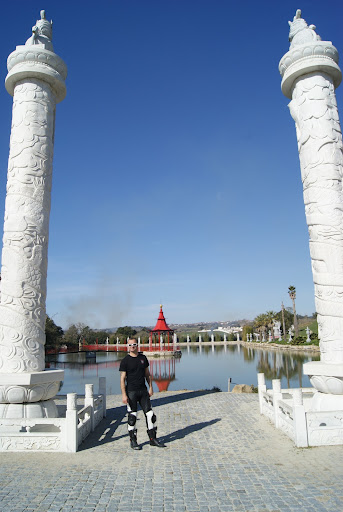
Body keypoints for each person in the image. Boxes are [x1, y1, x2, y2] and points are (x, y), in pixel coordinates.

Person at [119, 338, 165, 450]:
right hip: (131, 392)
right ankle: (133, 440)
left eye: (134, 344)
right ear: (127, 346)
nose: (132, 347)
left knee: (150, 415)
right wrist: (124, 395)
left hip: (143, 391)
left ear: (137, 345)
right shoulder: (125, 360)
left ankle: (152, 439)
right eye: (130, 345)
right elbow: (122, 379)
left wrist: (151, 388)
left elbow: (147, 374)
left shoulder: (143, 358)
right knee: (132, 417)